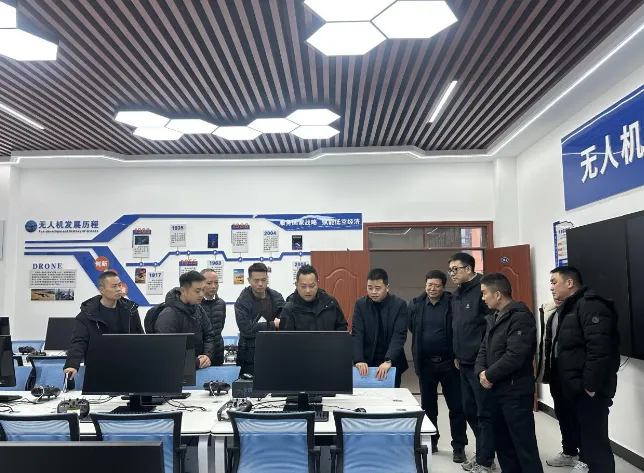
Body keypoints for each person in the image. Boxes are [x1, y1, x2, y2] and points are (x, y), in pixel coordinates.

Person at [549, 266, 620, 473]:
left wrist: (590, 386)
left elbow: (600, 350)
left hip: (589, 389)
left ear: (569, 283)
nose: (551, 287)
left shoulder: (592, 305)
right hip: (572, 386)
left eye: (554, 282)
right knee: (583, 434)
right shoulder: (568, 307)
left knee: (595, 440)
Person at [475, 273, 543, 473]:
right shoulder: (494, 317)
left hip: (515, 391)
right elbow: (483, 349)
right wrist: (481, 371)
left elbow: (515, 355)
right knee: (503, 443)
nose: (483, 298)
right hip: (496, 390)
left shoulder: (520, 317)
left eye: (484, 293)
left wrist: (489, 375)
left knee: (523, 445)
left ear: (497, 294)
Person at [409, 270, 467, 461]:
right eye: (429, 285)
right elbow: (412, 328)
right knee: (428, 406)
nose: (432, 289)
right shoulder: (416, 304)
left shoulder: (453, 303)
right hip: (426, 363)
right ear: (425, 285)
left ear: (443, 286)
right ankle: (431, 441)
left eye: (437, 285)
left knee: (456, 406)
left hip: (450, 363)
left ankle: (458, 446)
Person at [448, 252, 495, 472]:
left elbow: (491, 329)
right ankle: (484, 452)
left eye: (455, 269)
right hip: (463, 362)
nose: (452, 274)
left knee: (484, 412)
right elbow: (459, 327)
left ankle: (486, 459)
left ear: (468, 269)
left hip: (480, 363)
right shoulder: (457, 294)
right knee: (469, 410)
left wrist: (484, 360)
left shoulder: (483, 291)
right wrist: (457, 354)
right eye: (450, 270)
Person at [64, 270, 143, 379]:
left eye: (119, 285)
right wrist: (72, 365)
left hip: (128, 366)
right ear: (102, 290)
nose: (119, 289)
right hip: (98, 368)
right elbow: (78, 342)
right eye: (114, 286)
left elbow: (140, 337)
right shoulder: (87, 315)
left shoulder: (130, 310)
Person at [537, 297, 583, 469]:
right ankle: (569, 452)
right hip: (556, 371)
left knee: (579, 417)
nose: (553, 291)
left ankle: (586, 457)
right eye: (551, 286)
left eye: (555, 285)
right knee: (562, 413)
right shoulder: (551, 311)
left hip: (575, 374)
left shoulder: (581, 310)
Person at [352, 268, 408, 389]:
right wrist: (358, 360)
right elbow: (357, 333)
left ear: (387, 288)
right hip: (366, 362)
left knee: (390, 397)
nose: (373, 292)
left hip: (391, 362)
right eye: (370, 287)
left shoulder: (399, 305)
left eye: (378, 288)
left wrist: (389, 360)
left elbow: (399, 335)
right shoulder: (360, 304)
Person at [154, 270, 216, 369]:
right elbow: (167, 350)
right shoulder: (168, 315)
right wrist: (195, 362)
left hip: (199, 368)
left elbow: (209, 335)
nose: (201, 294)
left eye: (203, 290)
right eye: (197, 291)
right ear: (183, 291)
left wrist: (207, 355)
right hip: (176, 372)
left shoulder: (198, 309)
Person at [234, 262, 285, 376]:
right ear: (249, 280)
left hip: (275, 352)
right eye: (256, 280)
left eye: (263, 280)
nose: (260, 284)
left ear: (267, 279)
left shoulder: (277, 297)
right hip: (250, 356)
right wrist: (273, 325)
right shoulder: (242, 302)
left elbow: (285, 320)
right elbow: (247, 329)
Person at [280, 264, 348, 331]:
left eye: (312, 286)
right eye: (303, 286)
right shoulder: (289, 309)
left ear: (317, 284)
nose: (308, 290)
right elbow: (285, 337)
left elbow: (342, 328)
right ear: (296, 285)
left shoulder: (330, 302)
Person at [200, 269, 225, 366]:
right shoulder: (196, 304)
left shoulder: (221, 304)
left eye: (216, 282)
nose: (214, 286)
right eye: (209, 283)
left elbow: (220, 326)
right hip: (201, 355)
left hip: (218, 352)